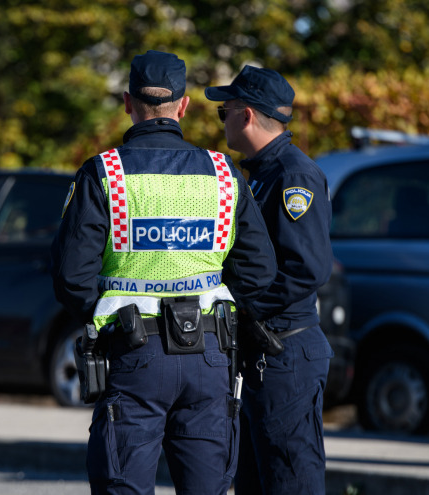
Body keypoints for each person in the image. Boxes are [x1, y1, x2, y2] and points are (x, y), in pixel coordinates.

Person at [51, 50, 276, 495]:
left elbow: (70, 278)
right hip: (210, 356)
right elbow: (259, 271)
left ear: (128, 102)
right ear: (184, 104)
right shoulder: (223, 173)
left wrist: (104, 314)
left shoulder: (104, 174)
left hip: (134, 354)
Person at [205, 65, 335, 494]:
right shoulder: (261, 173)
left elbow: (306, 268)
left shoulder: (292, 176)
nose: (221, 120)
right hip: (266, 353)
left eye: (223, 111)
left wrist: (244, 309)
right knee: (256, 482)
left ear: (245, 115)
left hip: (285, 351)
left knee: (290, 482)